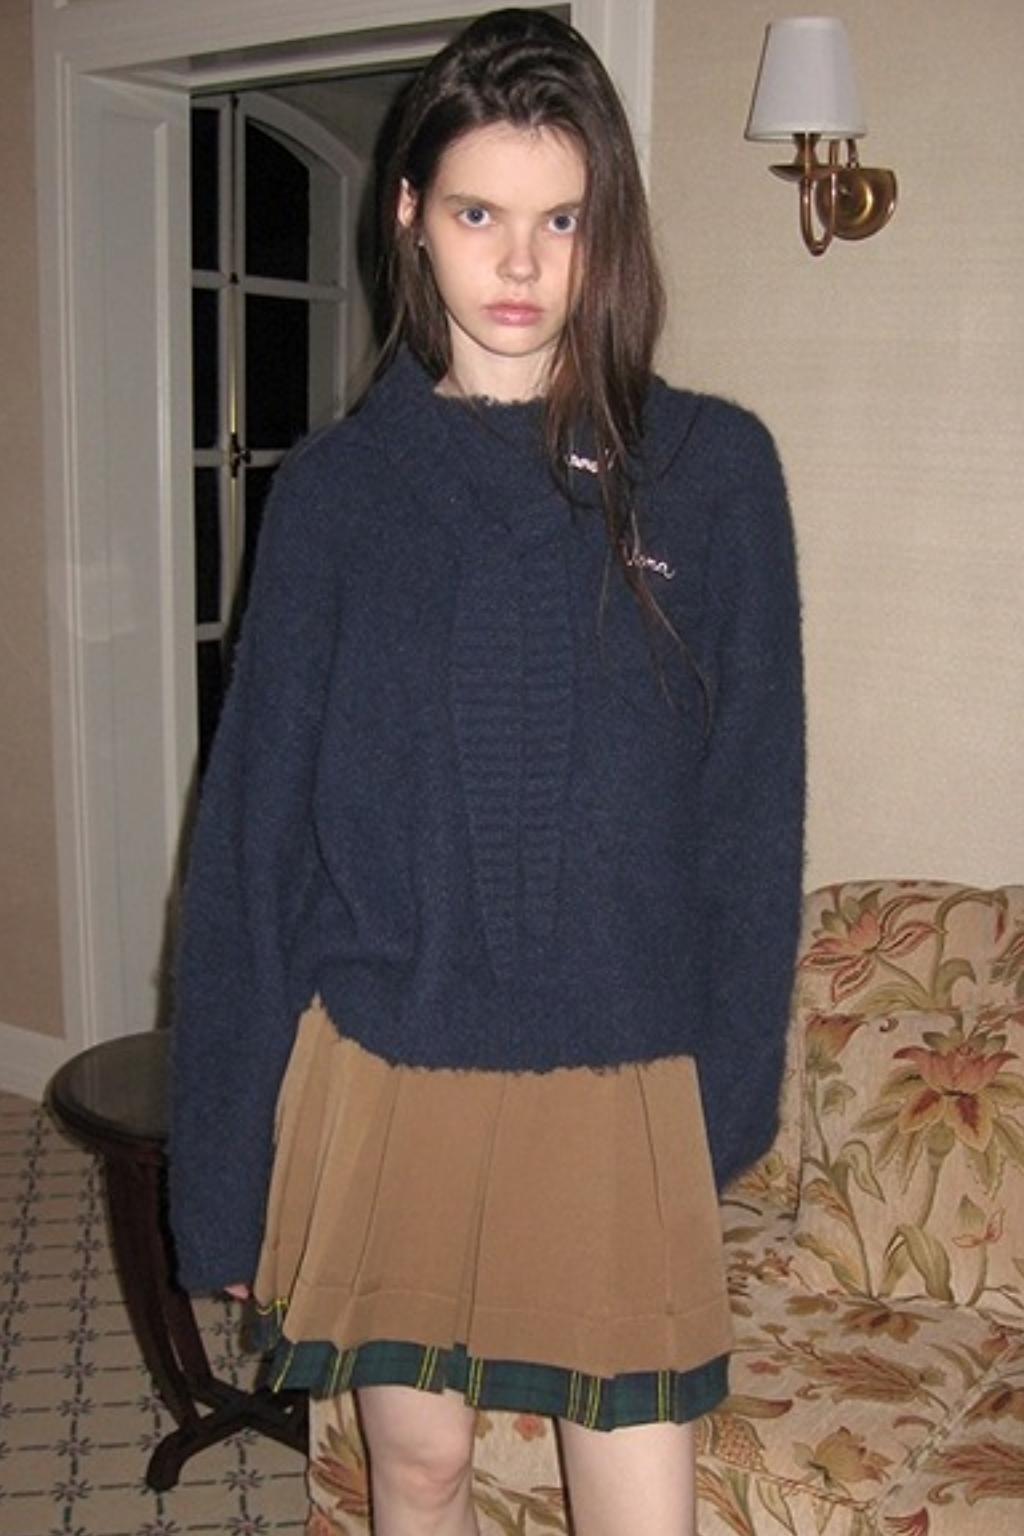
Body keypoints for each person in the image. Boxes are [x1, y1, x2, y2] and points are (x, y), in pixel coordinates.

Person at [168, 9, 805, 1535]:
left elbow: (751, 816)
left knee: (640, 1502)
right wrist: (225, 1169)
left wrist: (725, 1095)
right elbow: (254, 846)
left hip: (622, 1075)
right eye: (477, 215)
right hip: (392, 1074)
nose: (520, 265)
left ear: (608, 229)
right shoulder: (335, 499)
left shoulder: (711, 473)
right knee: (419, 1472)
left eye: (561, 220)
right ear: (409, 215)